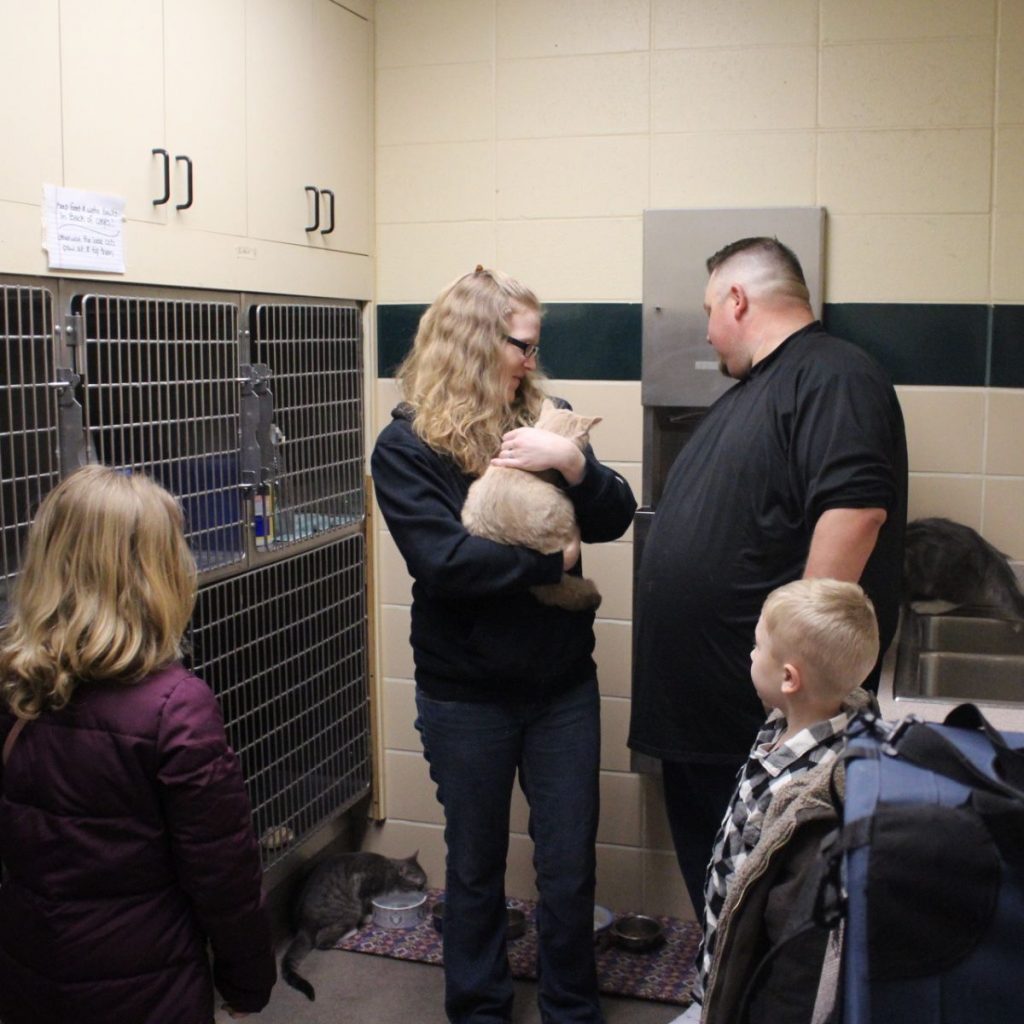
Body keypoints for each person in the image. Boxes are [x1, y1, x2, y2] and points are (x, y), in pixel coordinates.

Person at [371, 266, 636, 1024]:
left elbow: (615, 515)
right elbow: (446, 565)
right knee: (477, 867)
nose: (531, 359)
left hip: (561, 690)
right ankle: (480, 1009)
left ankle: (571, 1012)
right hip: (466, 694)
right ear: (476, 345)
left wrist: (574, 464)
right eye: (521, 345)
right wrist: (553, 564)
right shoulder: (407, 445)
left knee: (567, 867)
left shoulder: (548, 419)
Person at [629, 236, 907, 919]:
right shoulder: (761, 387)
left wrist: (796, 683)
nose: (705, 329)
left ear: (738, 298)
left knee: (767, 903)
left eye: (708, 309)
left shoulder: (834, 375)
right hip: (709, 711)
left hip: (758, 717)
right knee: (723, 890)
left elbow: (855, 515)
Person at [0, 466, 276, 1024]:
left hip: (27, 966)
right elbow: (223, 874)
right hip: (146, 983)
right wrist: (247, 980)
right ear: (159, 571)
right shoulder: (176, 706)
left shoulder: (11, 681)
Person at [697, 578, 879, 1023]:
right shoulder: (783, 727)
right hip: (719, 959)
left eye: (758, 646)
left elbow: (788, 942)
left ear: (789, 678)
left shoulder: (810, 797)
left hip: (746, 989)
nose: (751, 654)